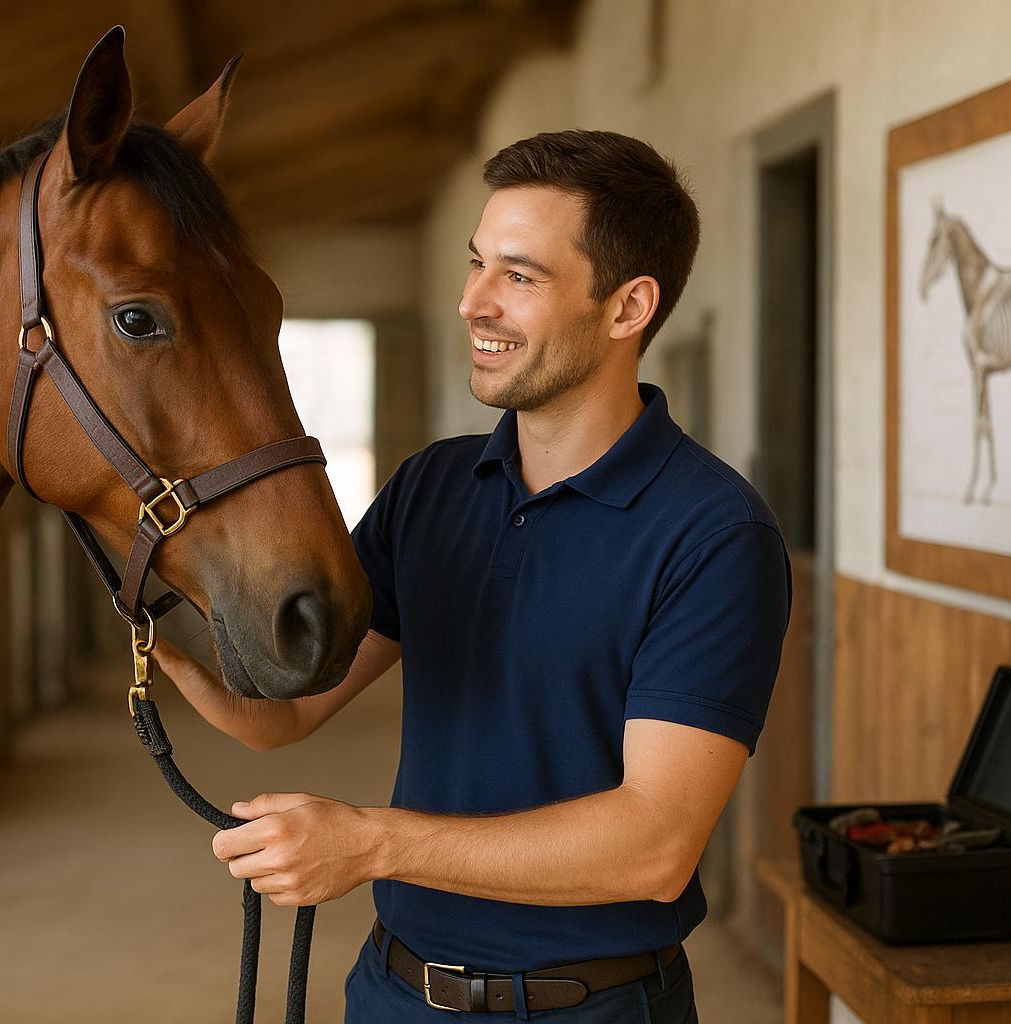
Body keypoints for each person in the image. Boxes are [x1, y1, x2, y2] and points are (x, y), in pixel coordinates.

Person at [154, 129, 791, 1023]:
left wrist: (371, 844)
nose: (472, 302)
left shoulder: (715, 534)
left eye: (519, 277)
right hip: (392, 991)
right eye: (477, 264)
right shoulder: (434, 486)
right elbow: (284, 712)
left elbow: (654, 846)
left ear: (627, 307)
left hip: (588, 1008)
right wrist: (150, 614)